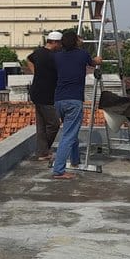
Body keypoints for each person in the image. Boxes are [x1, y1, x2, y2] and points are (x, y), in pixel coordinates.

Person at [50, 30, 102, 179]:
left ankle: (74, 160)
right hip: (74, 100)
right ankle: (59, 170)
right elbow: (93, 62)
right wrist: (98, 60)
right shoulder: (82, 54)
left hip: (58, 100)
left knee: (70, 131)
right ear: (75, 42)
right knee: (68, 135)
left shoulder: (57, 57)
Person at [25, 31, 63, 160]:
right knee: (54, 124)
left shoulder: (39, 52)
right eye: (60, 43)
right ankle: (43, 150)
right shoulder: (54, 56)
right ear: (55, 42)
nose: (61, 46)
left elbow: (28, 59)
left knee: (41, 125)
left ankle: (42, 153)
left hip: (36, 92)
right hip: (46, 94)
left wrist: (35, 73)